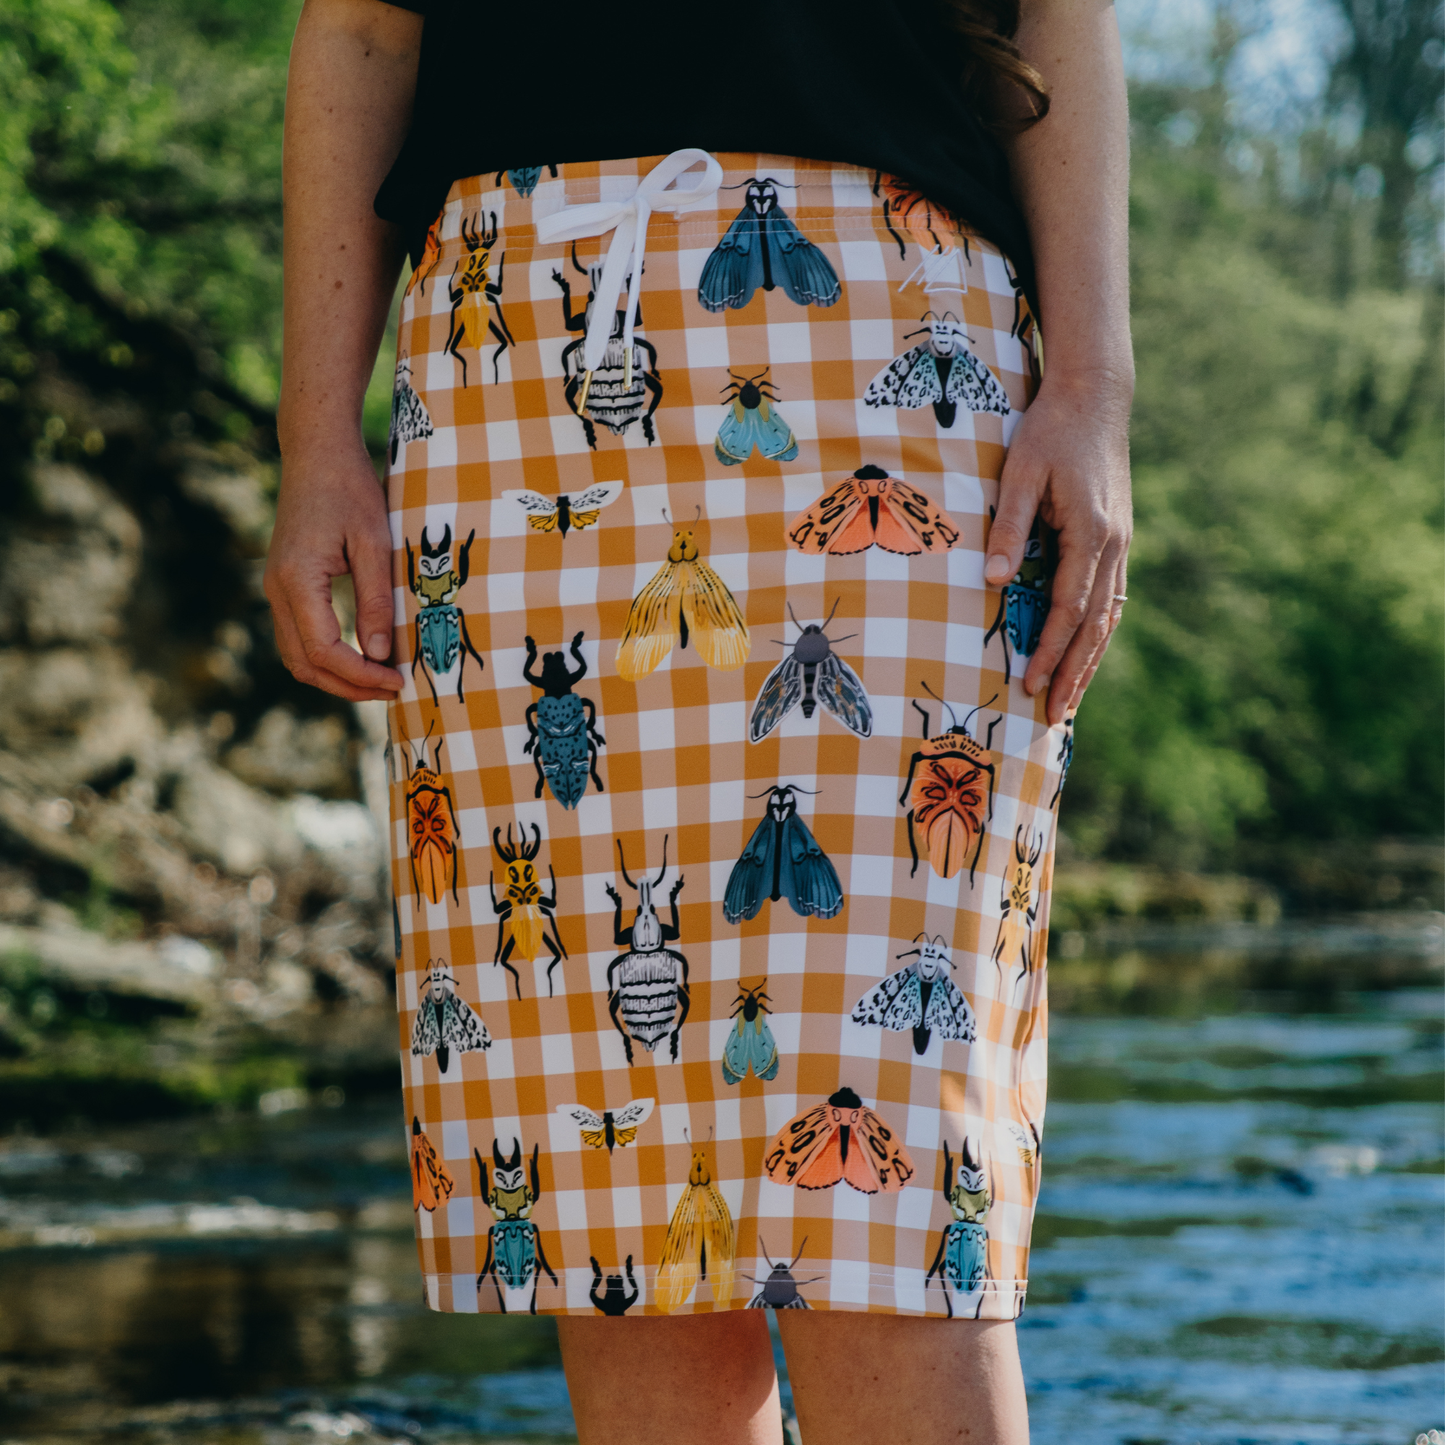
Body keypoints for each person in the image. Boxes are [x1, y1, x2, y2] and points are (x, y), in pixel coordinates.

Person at [264, 1, 1133, 1440]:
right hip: (513, 354)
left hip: (891, 348)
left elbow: (1063, 14)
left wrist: (1095, 388)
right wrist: (315, 442)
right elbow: (360, 29)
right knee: (617, 1222)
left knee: (903, 1180)